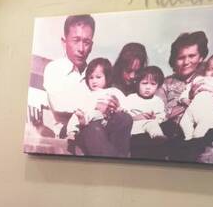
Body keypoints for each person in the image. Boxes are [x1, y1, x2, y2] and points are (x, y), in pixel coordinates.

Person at [42, 14, 131, 156]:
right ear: (64, 42)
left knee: (124, 119)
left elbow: (108, 95)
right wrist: (97, 104)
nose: (81, 48)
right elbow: (59, 105)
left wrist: (113, 105)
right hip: (71, 128)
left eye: (86, 42)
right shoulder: (55, 68)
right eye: (76, 40)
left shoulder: (94, 72)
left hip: (100, 121)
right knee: (93, 128)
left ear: (92, 45)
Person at [65, 57, 125, 142]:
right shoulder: (88, 93)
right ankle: (71, 133)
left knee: (95, 113)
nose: (94, 81)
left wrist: (119, 108)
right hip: (86, 118)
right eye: (91, 77)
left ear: (107, 77)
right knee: (76, 115)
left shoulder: (112, 91)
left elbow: (124, 104)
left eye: (98, 77)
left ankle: (84, 121)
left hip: (103, 119)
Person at [124, 66, 168, 159]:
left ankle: (159, 140)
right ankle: (158, 138)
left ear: (158, 86)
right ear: (137, 83)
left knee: (152, 124)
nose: (148, 87)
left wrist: (155, 118)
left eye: (153, 84)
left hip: (150, 130)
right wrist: (137, 117)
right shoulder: (131, 98)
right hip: (133, 128)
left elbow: (162, 117)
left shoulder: (158, 101)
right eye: (144, 83)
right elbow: (124, 116)